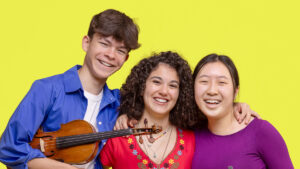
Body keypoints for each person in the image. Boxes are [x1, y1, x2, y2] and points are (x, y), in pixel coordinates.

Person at [0, 9, 140, 169]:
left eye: (120, 50)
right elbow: (8, 148)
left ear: (126, 58)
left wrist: (128, 114)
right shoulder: (47, 89)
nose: (111, 55)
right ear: (86, 43)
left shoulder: (119, 103)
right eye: (104, 43)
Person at [191, 54, 294, 169]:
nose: (212, 90)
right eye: (204, 81)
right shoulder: (188, 135)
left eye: (222, 82)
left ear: (235, 91)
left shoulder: (261, 132)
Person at [100, 51, 198, 169]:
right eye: (156, 82)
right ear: (141, 86)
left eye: (172, 85)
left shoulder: (192, 140)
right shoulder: (117, 137)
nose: (164, 91)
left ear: (180, 94)